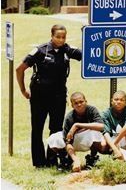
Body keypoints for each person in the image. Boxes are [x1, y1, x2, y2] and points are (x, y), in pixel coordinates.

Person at [16, 24, 82, 168]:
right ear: (51, 36)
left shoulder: (67, 50)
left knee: (56, 128)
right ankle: (39, 163)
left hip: (58, 96)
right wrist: (23, 90)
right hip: (39, 96)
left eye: (63, 37)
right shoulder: (40, 50)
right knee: (37, 128)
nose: (61, 40)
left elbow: (86, 56)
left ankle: (52, 160)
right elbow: (20, 69)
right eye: (58, 37)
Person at [47, 92, 104, 172]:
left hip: (87, 140)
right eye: (76, 103)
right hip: (73, 142)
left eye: (81, 102)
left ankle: (92, 159)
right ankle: (65, 160)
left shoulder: (92, 110)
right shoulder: (69, 117)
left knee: (96, 133)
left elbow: (101, 126)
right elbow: (67, 142)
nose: (79, 105)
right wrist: (75, 159)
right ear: (72, 105)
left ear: (86, 101)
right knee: (54, 138)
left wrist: (77, 125)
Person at [101, 90, 126, 160]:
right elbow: (105, 132)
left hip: (125, 139)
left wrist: (115, 143)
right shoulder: (105, 113)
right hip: (111, 139)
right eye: (116, 99)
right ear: (111, 101)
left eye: (122, 100)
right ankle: (112, 155)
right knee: (102, 144)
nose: (118, 102)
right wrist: (114, 147)